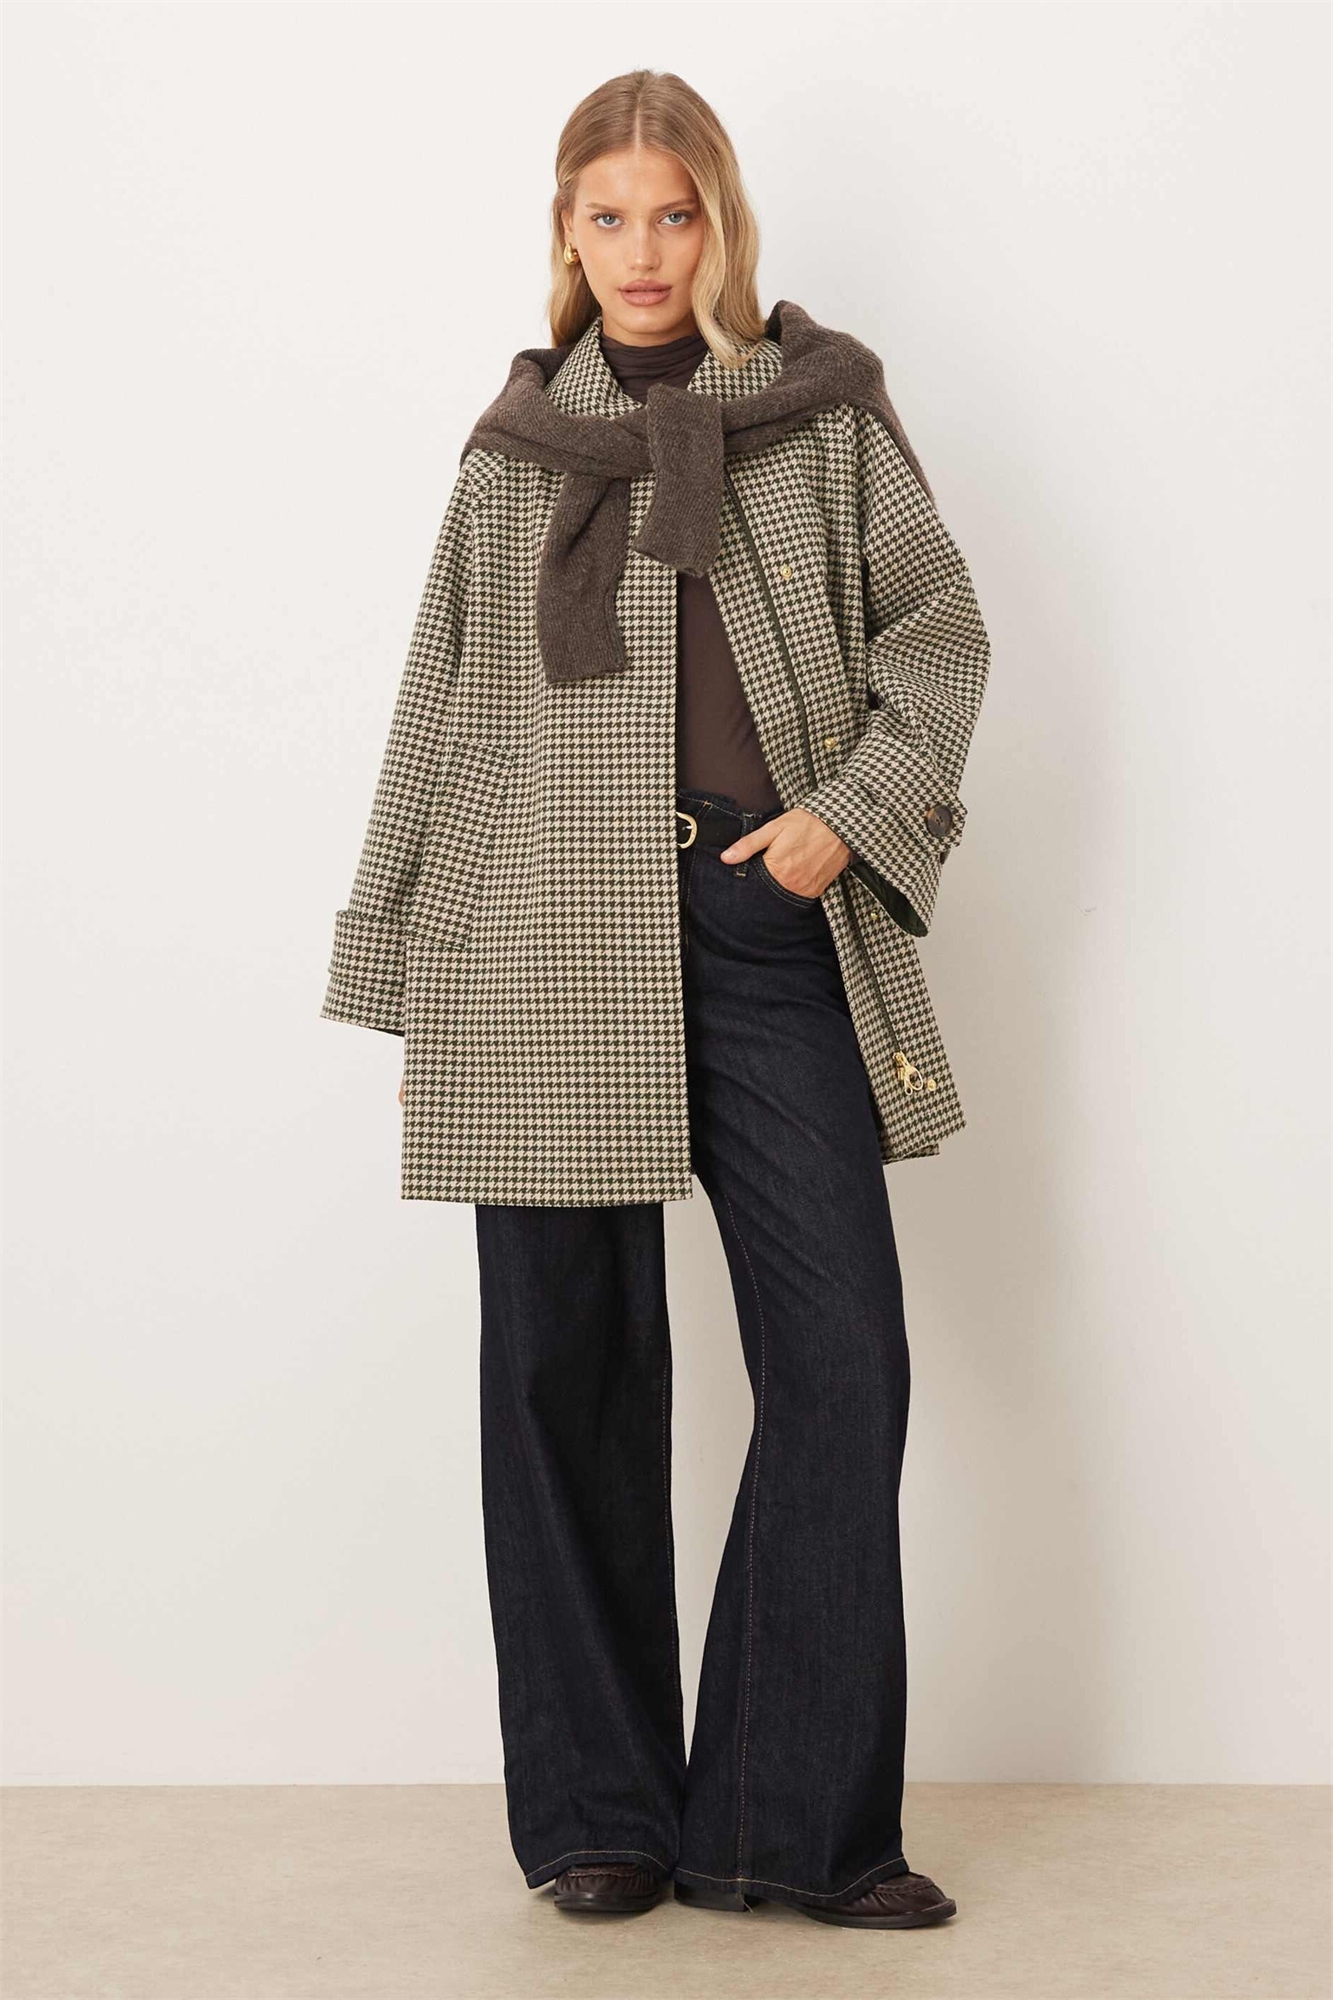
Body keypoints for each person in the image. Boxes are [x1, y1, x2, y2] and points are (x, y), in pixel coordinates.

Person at [320, 68, 990, 1930]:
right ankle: (599, 1816)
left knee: (841, 1361)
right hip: (539, 935)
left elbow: (937, 638)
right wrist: (412, 968)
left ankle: (787, 1823)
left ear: (721, 222)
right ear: (564, 232)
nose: (640, 251)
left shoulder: (822, 415)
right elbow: (444, 707)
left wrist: (840, 822)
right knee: (567, 1372)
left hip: (758, 916)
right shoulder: (513, 452)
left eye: (672, 213)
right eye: (606, 216)